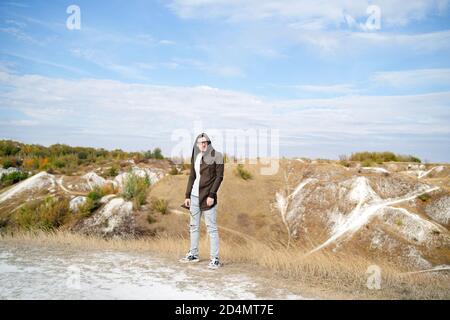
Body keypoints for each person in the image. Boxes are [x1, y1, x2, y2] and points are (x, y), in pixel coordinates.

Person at [179, 132, 224, 269]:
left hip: (207, 197)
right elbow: (192, 176)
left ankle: (215, 259)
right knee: (193, 226)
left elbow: (219, 177)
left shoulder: (217, 156)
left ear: (209, 143)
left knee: (211, 228)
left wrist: (211, 195)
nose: (203, 144)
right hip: (193, 196)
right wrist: (187, 195)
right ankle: (193, 254)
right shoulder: (196, 156)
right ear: (197, 144)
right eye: (200, 142)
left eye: (206, 142)